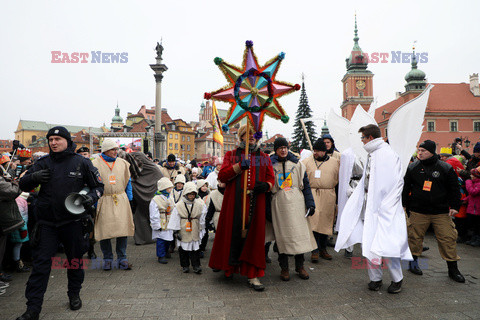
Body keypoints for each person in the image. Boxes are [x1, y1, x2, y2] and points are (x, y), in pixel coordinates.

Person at [17, 126, 104, 320]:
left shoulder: (82, 162)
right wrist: (33, 177)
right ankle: (33, 309)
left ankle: (74, 294)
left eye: (58, 139)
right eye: (51, 139)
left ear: (67, 141)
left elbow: (99, 186)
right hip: (47, 223)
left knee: (74, 261)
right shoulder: (42, 162)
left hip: (73, 222)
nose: (53, 142)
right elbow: (22, 185)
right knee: (40, 266)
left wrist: (90, 198)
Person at [335, 124, 412, 294]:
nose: (361, 141)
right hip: (369, 207)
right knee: (369, 243)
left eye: (362, 138)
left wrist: (386, 207)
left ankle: (397, 279)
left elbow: (396, 184)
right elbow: (369, 181)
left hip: (385, 210)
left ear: (370, 138)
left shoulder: (387, 154)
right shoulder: (373, 154)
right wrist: (357, 194)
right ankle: (375, 278)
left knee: (388, 245)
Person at [208, 124, 274, 291]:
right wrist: (238, 167)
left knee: (254, 239)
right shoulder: (231, 155)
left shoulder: (264, 156)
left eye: (253, 134)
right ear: (241, 137)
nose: (251, 136)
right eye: (247, 134)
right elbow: (222, 176)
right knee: (232, 234)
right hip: (234, 203)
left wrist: (265, 186)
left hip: (255, 204)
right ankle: (230, 268)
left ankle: (253, 275)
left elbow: (271, 179)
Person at [403, 140, 465, 283]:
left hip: (441, 212)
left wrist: (455, 206)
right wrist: (404, 205)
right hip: (418, 210)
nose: (420, 153)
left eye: (423, 151)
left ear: (431, 152)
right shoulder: (413, 168)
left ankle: (453, 269)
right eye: (419, 150)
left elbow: (454, 189)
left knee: (447, 238)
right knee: (414, 237)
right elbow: (406, 188)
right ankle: (413, 264)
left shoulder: (445, 167)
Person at [268, 137, 316, 281]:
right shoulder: (271, 165)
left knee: (298, 235)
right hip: (279, 204)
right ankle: (284, 268)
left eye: (285, 147)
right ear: (276, 150)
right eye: (280, 148)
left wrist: (310, 203)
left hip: (297, 204)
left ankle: (300, 267)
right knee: (282, 237)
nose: (283, 150)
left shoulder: (297, 164)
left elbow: (306, 185)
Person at [92, 139, 134, 271]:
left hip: (120, 198)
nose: (115, 152)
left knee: (123, 230)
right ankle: (107, 259)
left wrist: (129, 196)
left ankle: (122, 258)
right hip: (104, 199)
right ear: (105, 150)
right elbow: (91, 183)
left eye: (116, 149)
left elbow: (128, 182)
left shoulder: (123, 163)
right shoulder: (95, 164)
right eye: (112, 149)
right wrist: (94, 201)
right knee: (105, 231)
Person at [302, 139, 339, 262]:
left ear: (324, 151)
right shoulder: (306, 162)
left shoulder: (335, 162)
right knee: (314, 222)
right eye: (314, 150)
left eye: (318, 151)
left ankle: (323, 249)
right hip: (312, 193)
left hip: (328, 194)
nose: (316, 153)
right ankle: (315, 250)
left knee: (326, 223)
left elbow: (338, 179)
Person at [118, 152, 163, 246]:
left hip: (153, 194)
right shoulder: (134, 169)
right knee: (140, 217)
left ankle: (155, 236)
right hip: (139, 197)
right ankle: (145, 238)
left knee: (153, 214)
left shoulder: (151, 169)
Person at [167, 182, 207, 274]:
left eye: (193, 194)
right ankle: (185, 265)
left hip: (195, 227)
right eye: (189, 194)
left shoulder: (199, 204)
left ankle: (196, 265)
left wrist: (202, 229)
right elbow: (175, 218)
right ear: (185, 194)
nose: (191, 196)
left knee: (195, 248)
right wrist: (176, 232)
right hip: (183, 227)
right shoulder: (179, 205)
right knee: (183, 248)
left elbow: (202, 218)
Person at [149, 177, 175, 264]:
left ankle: (166, 251)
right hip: (161, 221)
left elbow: (173, 208)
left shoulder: (170, 197)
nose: (171, 189)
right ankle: (161, 255)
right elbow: (153, 213)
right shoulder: (156, 199)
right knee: (161, 240)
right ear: (163, 188)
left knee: (168, 238)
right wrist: (156, 225)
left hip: (169, 220)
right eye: (169, 188)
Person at [10, 192, 31, 272]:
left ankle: (17, 263)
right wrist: (23, 228)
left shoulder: (20, 199)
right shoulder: (20, 200)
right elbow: (20, 216)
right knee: (18, 245)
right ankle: (18, 264)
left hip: (20, 226)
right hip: (20, 227)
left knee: (18, 245)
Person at [465, 168, 480, 246]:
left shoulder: (476, 183)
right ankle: (473, 238)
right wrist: (464, 200)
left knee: (478, 225)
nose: (470, 176)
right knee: (474, 224)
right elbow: (471, 196)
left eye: (472, 174)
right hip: (473, 208)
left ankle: (478, 239)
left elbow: (473, 192)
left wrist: (468, 183)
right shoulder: (474, 183)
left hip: (477, 208)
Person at [196, 180, 210, 257]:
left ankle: (202, 248)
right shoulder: (196, 195)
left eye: (206, 186)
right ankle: (197, 247)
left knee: (205, 233)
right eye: (203, 186)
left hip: (206, 216)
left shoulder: (209, 195)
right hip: (197, 216)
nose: (205, 188)